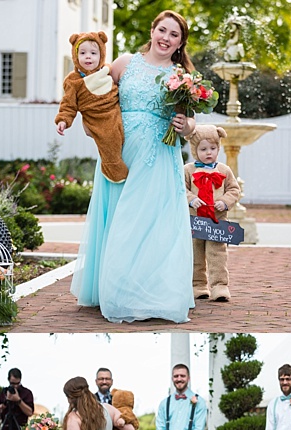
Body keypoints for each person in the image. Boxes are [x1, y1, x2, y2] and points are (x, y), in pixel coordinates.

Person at [69, 9, 199, 323]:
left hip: (159, 156)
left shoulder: (181, 78)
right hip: (119, 152)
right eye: (162, 31)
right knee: (117, 217)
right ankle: (114, 287)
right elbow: (92, 92)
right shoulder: (125, 63)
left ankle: (146, 291)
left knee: (147, 222)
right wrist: (90, 124)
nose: (166, 39)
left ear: (180, 44)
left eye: (174, 35)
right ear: (153, 31)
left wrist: (187, 126)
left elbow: (192, 120)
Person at [55, 31, 127, 183]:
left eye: (93, 53)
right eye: (82, 53)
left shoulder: (107, 70)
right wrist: (63, 120)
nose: (88, 56)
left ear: (101, 55)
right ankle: (112, 168)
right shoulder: (73, 80)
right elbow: (68, 104)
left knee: (123, 137)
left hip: (115, 110)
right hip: (96, 117)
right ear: (75, 56)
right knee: (108, 140)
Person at [185, 124, 242, 302]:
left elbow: (234, 190)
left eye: (213, 148)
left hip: (217, 223)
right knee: (195, 254)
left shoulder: (224, 170)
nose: (208, 153)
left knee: (218, 254)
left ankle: (220, 285)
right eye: (203, 149)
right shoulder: (188, 170)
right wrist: (191, 199)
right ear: (194, 149)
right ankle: (198, 285)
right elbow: (180, 189)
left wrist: (224, 202)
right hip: (195, 222)